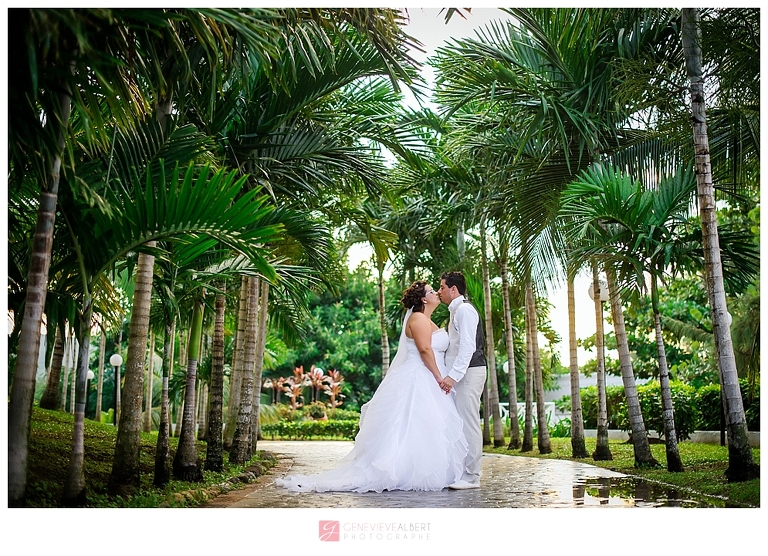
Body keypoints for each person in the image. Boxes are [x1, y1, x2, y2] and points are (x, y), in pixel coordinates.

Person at [274, 281, 468, 492]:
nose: (436, 293)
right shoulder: (419, 319)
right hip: (421, 376)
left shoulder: (427, 320)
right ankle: (402, 470)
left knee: (424, 426)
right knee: (409, 424)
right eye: (432, 291)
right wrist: (440, 377)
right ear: (423, 298)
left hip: (427, 377)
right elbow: (424, 350)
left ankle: (421, 467)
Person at [437, 271, 486, 490]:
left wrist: (452, 377)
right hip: (463, 374)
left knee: (469, 423)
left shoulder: (464, 310)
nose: (439, 292)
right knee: (461, 424)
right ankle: (461, 472)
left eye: (442, 288)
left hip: (470, 373)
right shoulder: (456, 311)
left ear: (453, 289)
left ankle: (472, 477)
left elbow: (468, 346)